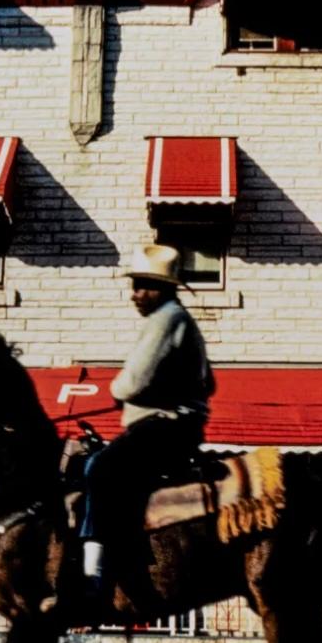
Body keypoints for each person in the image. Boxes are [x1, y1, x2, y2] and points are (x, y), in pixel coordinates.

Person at [78, 243, 216, 599]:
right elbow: (208, 382)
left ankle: (95, 572)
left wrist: (117, 389)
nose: (135, 294)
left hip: (165, 428)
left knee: (98, 468)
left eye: (143, 286)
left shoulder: (166, 318)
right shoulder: (181, 320)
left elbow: (134, 381)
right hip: (178, 425)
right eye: (134, 285)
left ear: (164, 289)